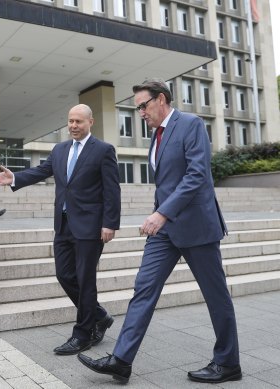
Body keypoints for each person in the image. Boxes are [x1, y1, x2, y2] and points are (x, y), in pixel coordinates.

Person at [78, 79, 241, 384]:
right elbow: (165, 183)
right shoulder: (157, 136)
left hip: (196, 227)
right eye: (136, 107)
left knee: (215, 295)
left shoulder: (190, 124)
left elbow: (197, 175)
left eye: (143, 105)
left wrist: (161, 213)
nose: (140, 112)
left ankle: (228, 363)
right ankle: (121, 360)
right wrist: (160, 214)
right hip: (165, 232)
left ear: (162, 99)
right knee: (143, 289)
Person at [0, 104, 121, 355]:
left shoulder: (103, 150)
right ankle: (100, 316)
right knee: (64, 275)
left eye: (78, 122)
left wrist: (109, 223)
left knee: (85, 280)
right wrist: (15, 179)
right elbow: (42, 171)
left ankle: (83, 334)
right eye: (70, 121)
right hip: (63, 225)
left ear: (90, 122)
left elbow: (112, 190)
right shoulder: (60, 149)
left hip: (90, 227)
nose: (73, 126)